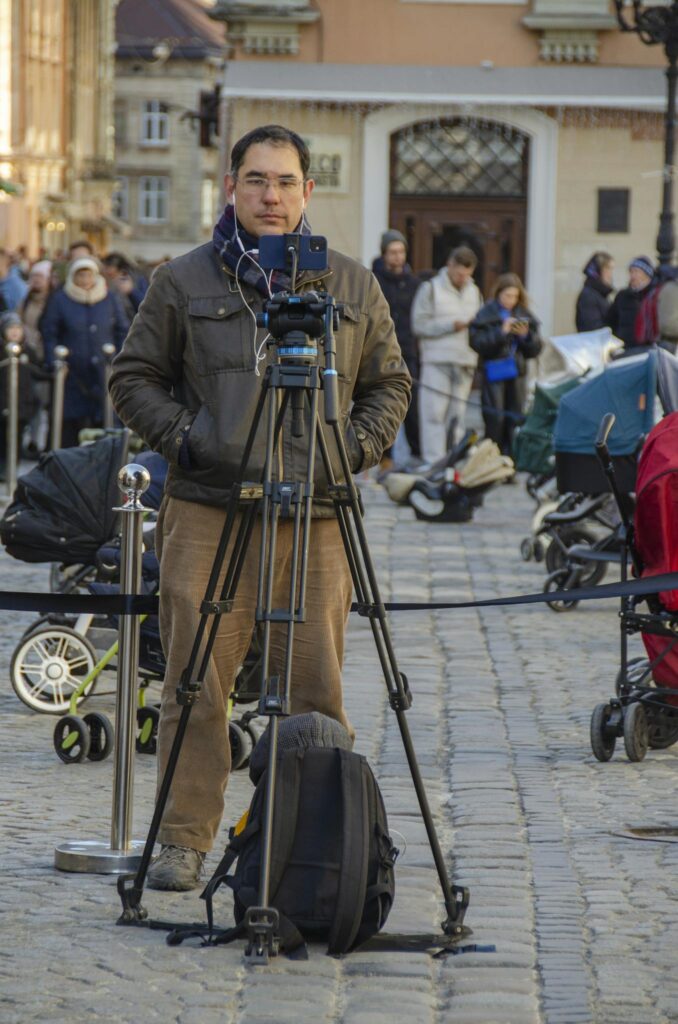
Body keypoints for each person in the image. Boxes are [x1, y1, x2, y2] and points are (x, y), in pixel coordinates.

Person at [109, 124, 410, 891]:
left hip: (317, 514)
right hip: (210, 508)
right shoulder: (183, 281)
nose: (269, 197)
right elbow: (134, 378)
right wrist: (192, 438)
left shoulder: (349, 283)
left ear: (308, 191)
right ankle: (182, 839)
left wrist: (349, 452)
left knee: (316, 687)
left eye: (283, 182)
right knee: (193, 680)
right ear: (231, 188)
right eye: (255, 181)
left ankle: (311, 848)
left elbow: (390, 384)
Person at [40, 256, 129, 447]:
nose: (85, 279)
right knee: (69, 424)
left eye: (88, 274)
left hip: (103, 372)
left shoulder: (109, 298)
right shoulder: (61, 299)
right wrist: (53, 360)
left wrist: (119, 357)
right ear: (73, 276)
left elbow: (123, 329)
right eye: (80, 275)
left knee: (104, 420)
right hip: (71, 373)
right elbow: (50, 332)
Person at [410, 246, 482, 464]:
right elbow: (419, 324)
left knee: (457, 416)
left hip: (465, 360)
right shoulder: (430, 288)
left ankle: (455, 463)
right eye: (460, 273)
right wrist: (451, 325)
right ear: (450, 266)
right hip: (437, 360)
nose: (463, 279)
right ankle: (434, 462)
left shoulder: (474, 291)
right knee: (434, 414)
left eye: (467, 275)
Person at [469, 272, 543, 456]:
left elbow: (535, 348)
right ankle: (493, 458)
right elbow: (477, 343)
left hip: (517, 373)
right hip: (494, 372)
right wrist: (501, 332)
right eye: (507, 296)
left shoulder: (524, 315)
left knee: (515, 417)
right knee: (495, 418)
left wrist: (525, 336)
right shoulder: (486, 313)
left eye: (515, 296)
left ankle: (512, 460)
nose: (511, 300)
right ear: (498, 293)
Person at [372, 229, 421, 459]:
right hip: (380, 349)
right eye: (392, 252)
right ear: (384, 254)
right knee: (383, 403)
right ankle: (384, 457)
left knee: (412, 406)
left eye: (401, 252)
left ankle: (417, 453)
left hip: (408, 350)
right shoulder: (373, 280)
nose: (397, 257)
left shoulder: (413, 283)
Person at [19, 260, 53, 455]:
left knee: (41, 402)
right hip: (26, 356)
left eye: (40, 277)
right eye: (33, 277)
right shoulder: (26, 300)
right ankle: (29, 441)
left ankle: (36, 441)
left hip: (42, 358)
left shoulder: (53, 300)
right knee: (28, 399)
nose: (36, 281)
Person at [0, 312, 40, 477]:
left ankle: (11, 470)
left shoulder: (28, 351)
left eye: (17, 328)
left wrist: (56, 373)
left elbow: (38, 371)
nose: (15, 332)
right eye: (11, 328)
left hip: (23, 404)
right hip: (3, 403)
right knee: (3, 438)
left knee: (16, 437)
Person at [606, 256, 655, 350]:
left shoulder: (653, 295)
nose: (632, 275)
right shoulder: (622, 296)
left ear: (647, 274)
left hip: (647, 349)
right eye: (631, 271)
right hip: (624, 349)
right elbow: (610, 321)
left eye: (636, 271)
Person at [575, 252, 614, 333]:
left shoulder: (601, 294)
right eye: (607, 268)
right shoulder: (588, 296)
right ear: (598, 271)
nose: (610, 274)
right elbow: (592, 329)